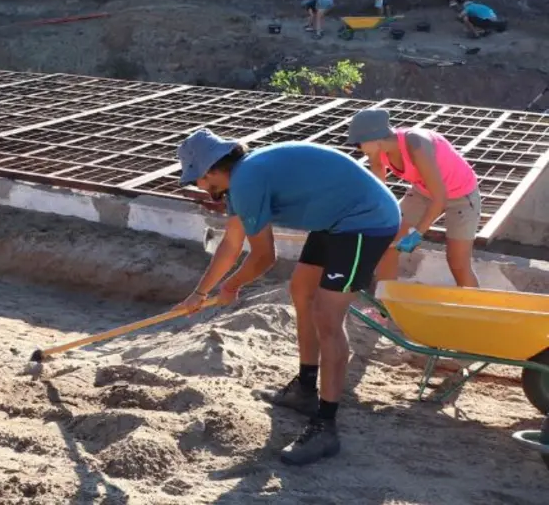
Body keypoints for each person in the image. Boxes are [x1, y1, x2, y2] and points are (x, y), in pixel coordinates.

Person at [174, 129, 400, 466]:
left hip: (365, 221)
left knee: (327, 316)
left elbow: (264, 258)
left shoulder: (247, 181)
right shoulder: (241, 181)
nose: (200, 188)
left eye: (198, 181)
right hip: (335, 219)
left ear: (210, 172)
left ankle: (325, 427)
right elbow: (231, 244)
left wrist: (231, 287)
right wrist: (200, 293)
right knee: (301, 290)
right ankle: (306, 388)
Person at [346, 108, 481, 287]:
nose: (358, 149)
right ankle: (384, 312)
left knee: (458, 263)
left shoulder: (416, 144)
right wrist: (378, 213)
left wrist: (417, 234)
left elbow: (440, 198)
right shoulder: (376, 150)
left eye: (358, 144)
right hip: (422, 191)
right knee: (388, 247)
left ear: (375, 138)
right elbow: (379, 175)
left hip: (461, 196)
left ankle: (473, 312)